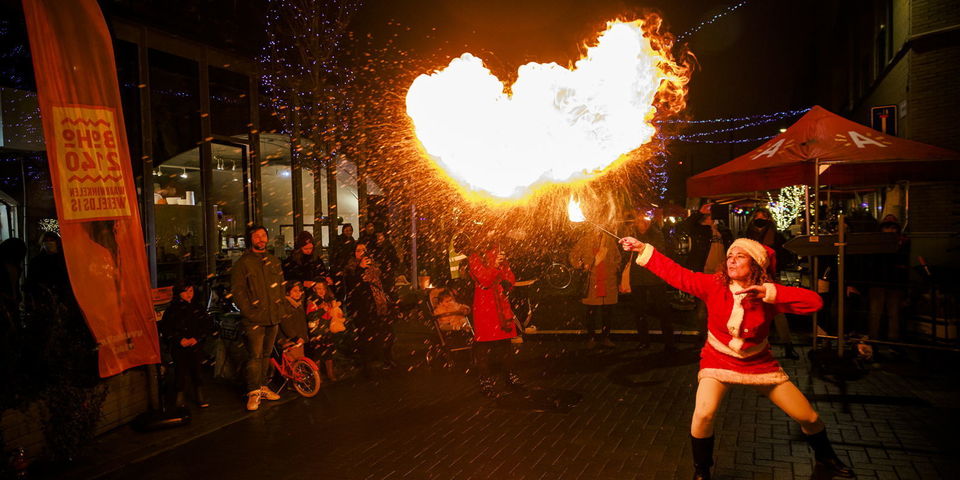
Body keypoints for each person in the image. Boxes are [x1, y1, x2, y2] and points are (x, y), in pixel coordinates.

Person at [620, 236, 854, 479]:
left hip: (759, 363)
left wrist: (770, 292)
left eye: (740, 256)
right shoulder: (714, 285)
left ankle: (826, 458)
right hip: (718, 359)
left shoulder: (767, 295)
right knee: (703, 413)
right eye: (729, 256)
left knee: (809, 417)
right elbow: (677, 274)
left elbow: (814, 303)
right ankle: (701, 471)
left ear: (755, 265)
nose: (731, 261)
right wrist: (643, 248)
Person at [230, 225, 286, 411]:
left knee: (266, 355)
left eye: (263, 235)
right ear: (251, 240)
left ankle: (262, 387)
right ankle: (253, 392)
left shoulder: (273, 261)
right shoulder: (243, 263)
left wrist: (280, 307)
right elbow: (238, 292)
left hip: (272, 316)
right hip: (254, 318)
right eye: (257, 236)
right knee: (255, 356)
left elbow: (281, 286)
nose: (261, 239)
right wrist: (249, 312)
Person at [742, 208, 798, 359]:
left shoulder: (776, 236)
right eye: (757, 217)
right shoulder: (747, 235)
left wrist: (775, 268)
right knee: (753, 312)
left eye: (763, 217)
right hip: (752, 277)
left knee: (778, 311)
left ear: (768, 219)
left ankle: (788, 345)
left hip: (771, 277)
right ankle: (756, 346)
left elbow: (784, 255)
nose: (760, 219)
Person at [468, 242, 520, 398]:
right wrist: (495, 266)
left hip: (501, 307)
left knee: (505, 345)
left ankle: (509, 375)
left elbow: (510, 279)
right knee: (483, 346)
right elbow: (484, 280)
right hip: (485, 307)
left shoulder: (498, 253)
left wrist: (505, 272)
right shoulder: (475, 257)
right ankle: (485, 380)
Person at [620, 211, 675, 352]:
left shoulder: (656, 234)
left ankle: (669, 342)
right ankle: (643, 341)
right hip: (638, 278)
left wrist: (643, 247)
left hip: (656, 277)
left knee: (663, 310)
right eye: (639, 220)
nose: (642, 223)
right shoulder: (631, 235)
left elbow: (660, 251)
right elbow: (625, 255)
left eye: (645, 220)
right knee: (639, 311)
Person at [160, 282, 213, 408]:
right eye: (185, 291)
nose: (189, 294)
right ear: (179, 293)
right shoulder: (172, 309)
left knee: (197, 370)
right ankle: (180, 396)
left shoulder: (198, 308)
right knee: (180, 371)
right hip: (179, 346)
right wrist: (178, 340)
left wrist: (197, 338)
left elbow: (206, 325)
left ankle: (199, 395)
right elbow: (166, 328)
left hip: (195, 345)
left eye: (191, 291)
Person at [344, 243, 393, 375]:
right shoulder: (351, 269)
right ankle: (366, 366)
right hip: (361, 308)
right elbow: (353, 287)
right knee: (365, 338)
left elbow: (382, 283)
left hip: (377, 306)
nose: (362, 253)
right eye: (358, 250)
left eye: (364, 250)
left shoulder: (374, 266)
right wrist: (360, 269)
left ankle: (383, 359)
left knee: (382, 334)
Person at [570, 229, 621, 348]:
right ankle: (591, 337)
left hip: (608, 281)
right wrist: (583, 265)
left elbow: (617, 258)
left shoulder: (610, 241)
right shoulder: (585, 240)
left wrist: (614, 268)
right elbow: (573, 256)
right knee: (591, 312)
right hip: (592, 281)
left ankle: (605, 337)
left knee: (607, 312)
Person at [306, 279, 343, 382]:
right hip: (317, 331)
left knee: (328, 353)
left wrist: (337, 314)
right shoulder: (312, 301)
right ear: (314, 289)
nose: (321, 291)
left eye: (323, 288)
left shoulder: (329, 300)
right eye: (318, 289)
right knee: (317, 354)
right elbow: (310, 316)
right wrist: (322, 310)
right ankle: (318, 377)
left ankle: (330, 374)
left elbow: (334, 312)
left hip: (327, 330)